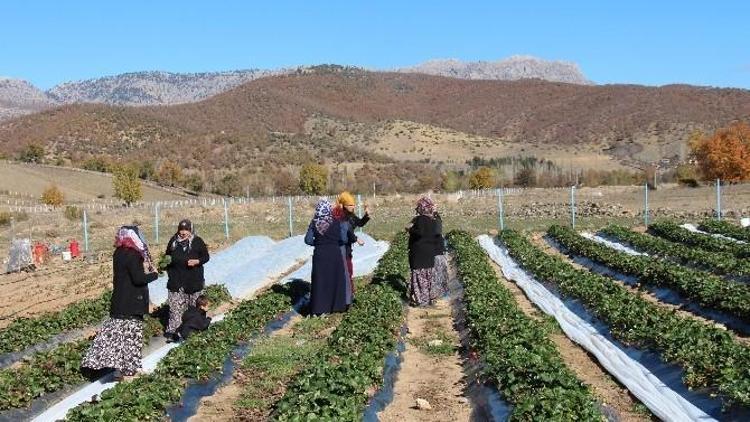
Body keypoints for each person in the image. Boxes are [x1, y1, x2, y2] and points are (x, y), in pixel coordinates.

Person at [81, 226, 158, 381]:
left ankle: (118, 371)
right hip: (132, 302)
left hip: (119, 301)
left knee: (119, 338)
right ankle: (130, 372)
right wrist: (154, 275)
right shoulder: (133, 255)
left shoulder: (118, 253)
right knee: (131, 338)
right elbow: (138, 279)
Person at [163, 219, 210, 341]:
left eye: (186, 230)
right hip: (176, 281)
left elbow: (206, 257)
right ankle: (173, 333)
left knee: (195, 309)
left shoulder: (197, 241)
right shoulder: (173, 242)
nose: (183, 232)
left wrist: (197, 261)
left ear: (190, 230)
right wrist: (165, 265)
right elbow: (167, 257)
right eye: (181, 230)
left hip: (193, 281)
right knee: (175, 309)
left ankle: (195, 331)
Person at [305, 199, 349, 315]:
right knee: (335, 279)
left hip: (320, 254)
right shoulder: (336, 221)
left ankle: (319, 308)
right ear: (329, 209)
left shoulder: (315, 222)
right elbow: (343, 239)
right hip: (334, 254)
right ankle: (337, 306)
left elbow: (308, 240)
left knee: (320, 281)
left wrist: (319, 244)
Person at [406, 196, 444, 306]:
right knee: (428, 276)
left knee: (419, 277)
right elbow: (436, 233)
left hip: (419, 253)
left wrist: (410, 229)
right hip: (429, 252)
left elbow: (420, 233)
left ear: (421, 208)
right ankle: (428, 299)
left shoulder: (420, 219)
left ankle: (421, 300)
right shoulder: (433, 220)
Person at [336, 192, 368, 292]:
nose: (353, 206)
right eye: (350, 205)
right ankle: (346, 292)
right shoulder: (339, 216)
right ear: (344, 205)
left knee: (348, 269)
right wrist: (356, 239)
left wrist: (366, 215)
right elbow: (347, 231)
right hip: (340, 246)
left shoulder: (351, 215)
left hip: (348, 246)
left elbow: (360, 223)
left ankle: (348, 292)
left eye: (353, 204)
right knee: (344, 270)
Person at [433, 211, 450, 296]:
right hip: (440, 253)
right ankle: (444, 291)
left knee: (437, 272)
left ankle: (440, 291)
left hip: (436, 254)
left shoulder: (435, 234)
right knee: (442, 272)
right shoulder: (440, 235)